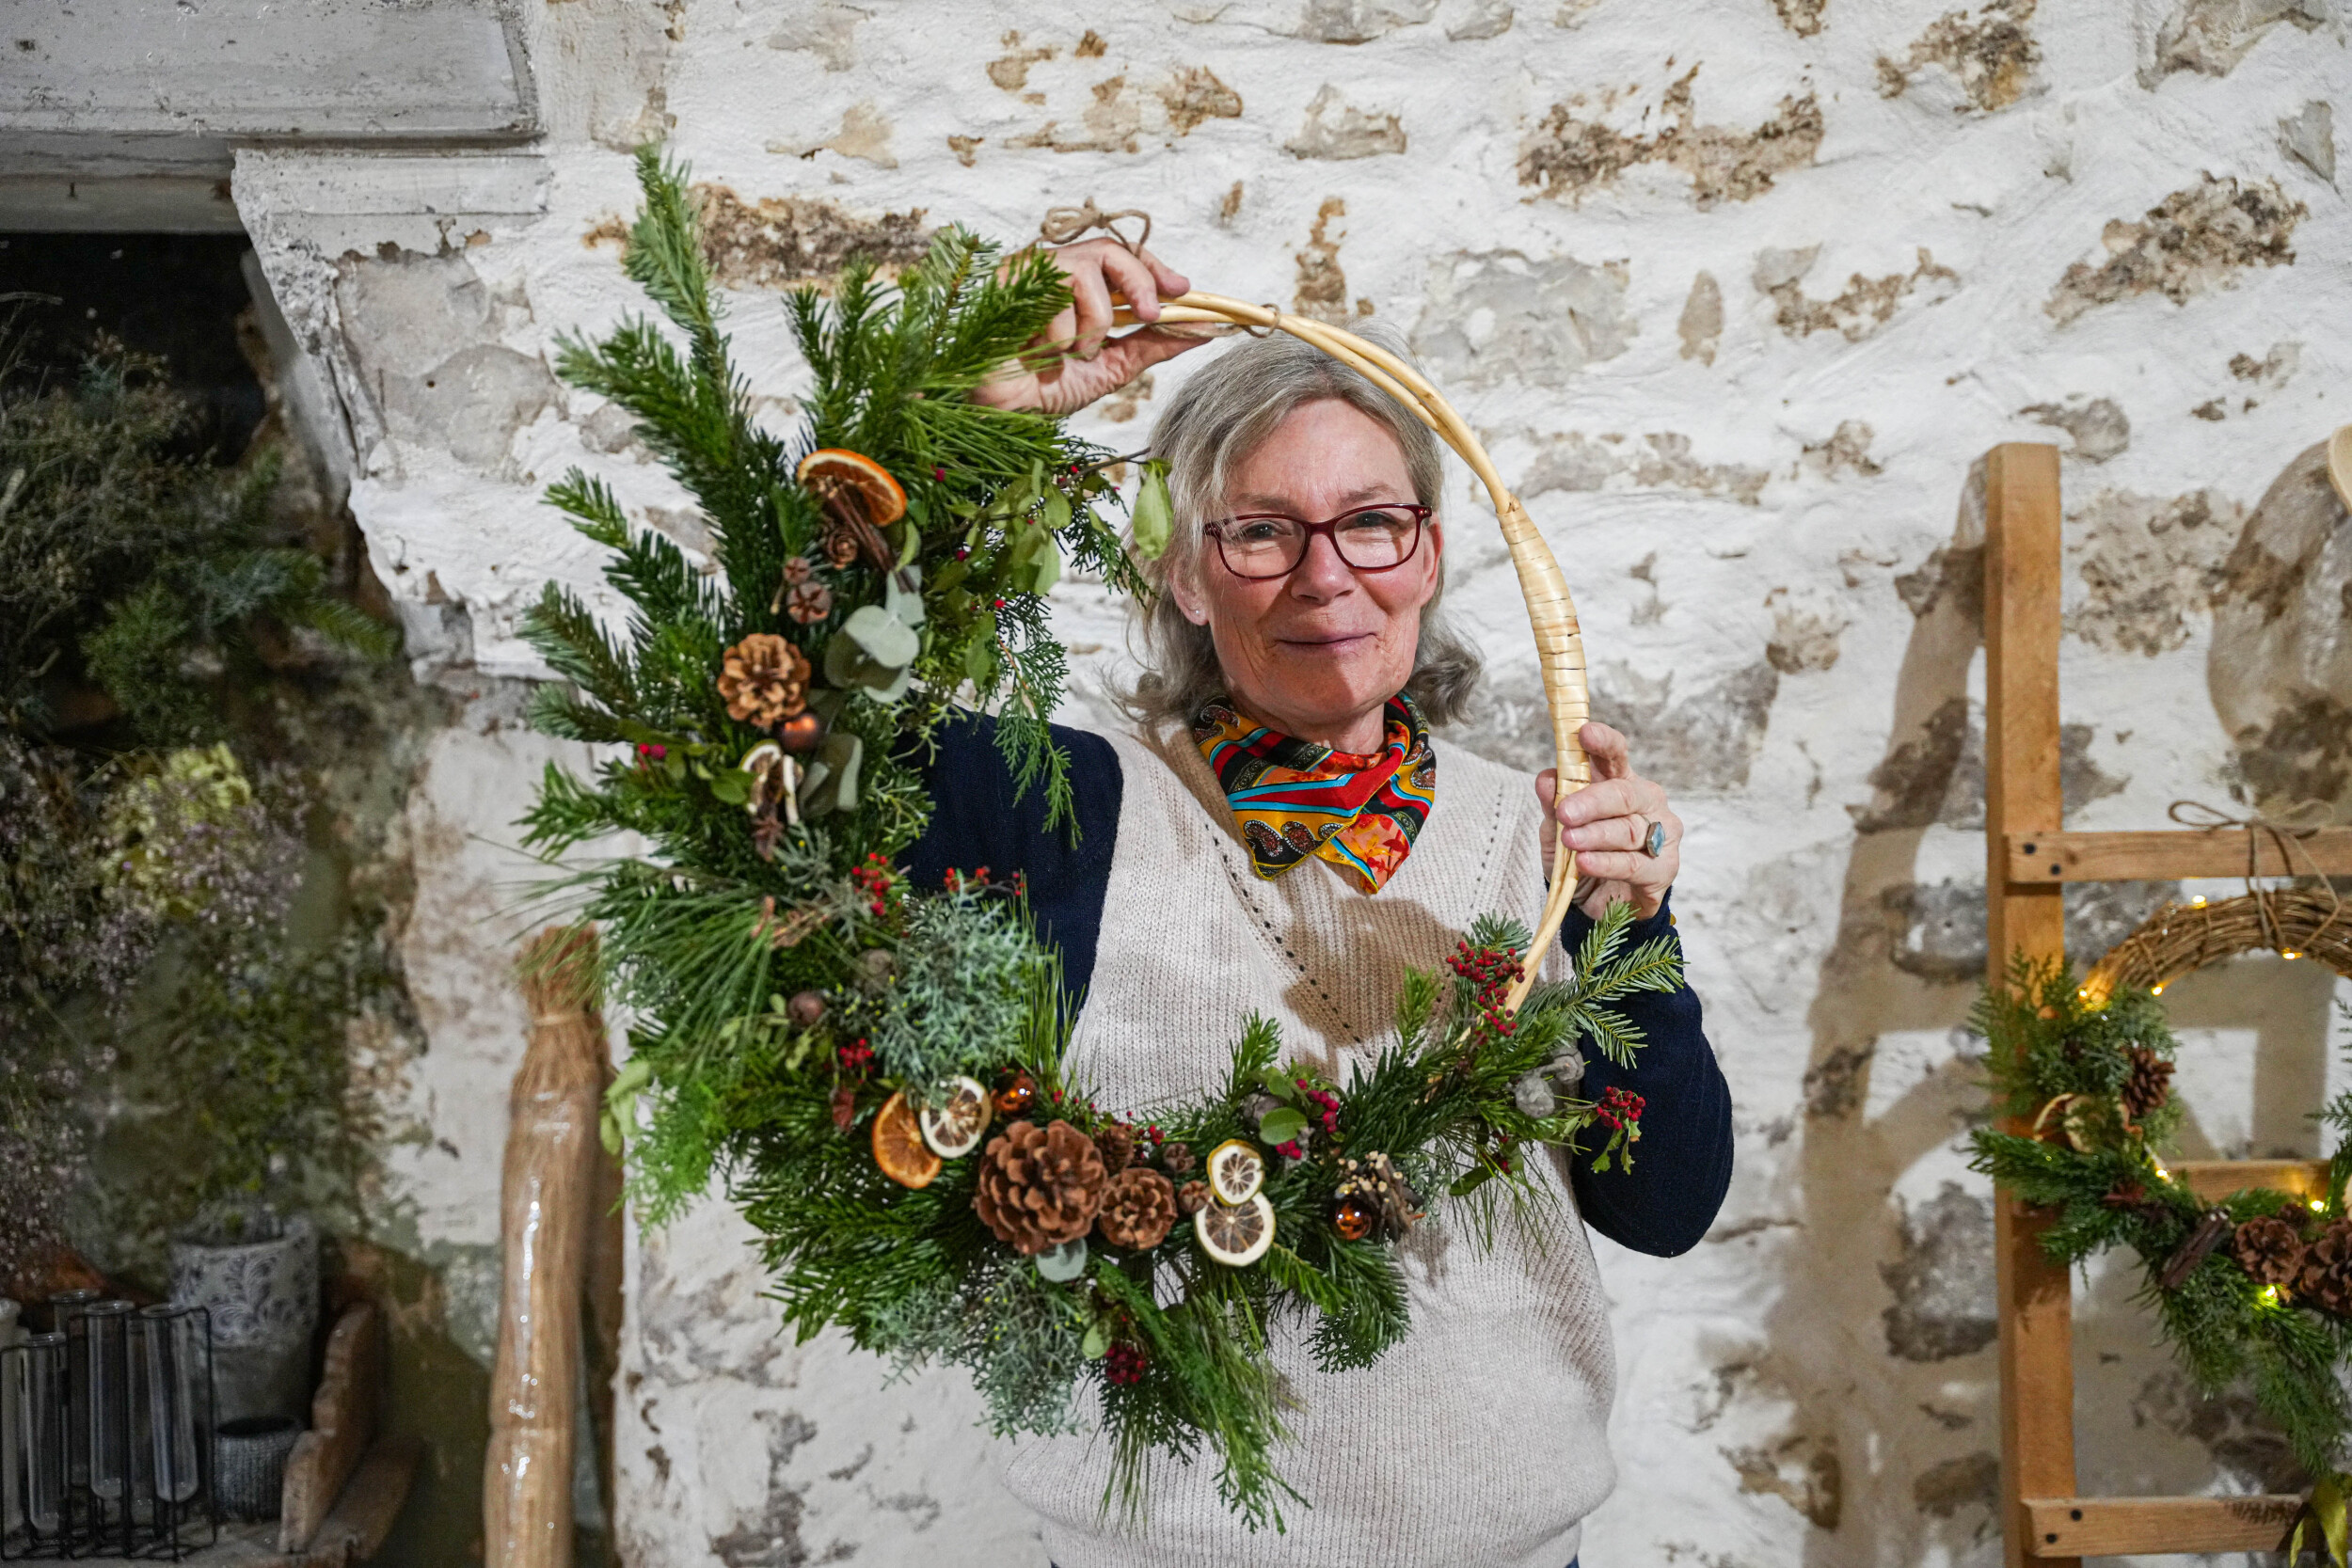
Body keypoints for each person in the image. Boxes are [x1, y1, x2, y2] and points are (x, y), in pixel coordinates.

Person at [903, 238, 1734, 1568]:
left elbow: (1665, 1206)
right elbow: (791, 733)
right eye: (1259, 530)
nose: (1325, 573)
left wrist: (1630, 936)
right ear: (1182, 571)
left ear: (1430, 552)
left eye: (1369, 521)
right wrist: (969, 420)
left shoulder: (1546, 839)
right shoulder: (1063, 810)